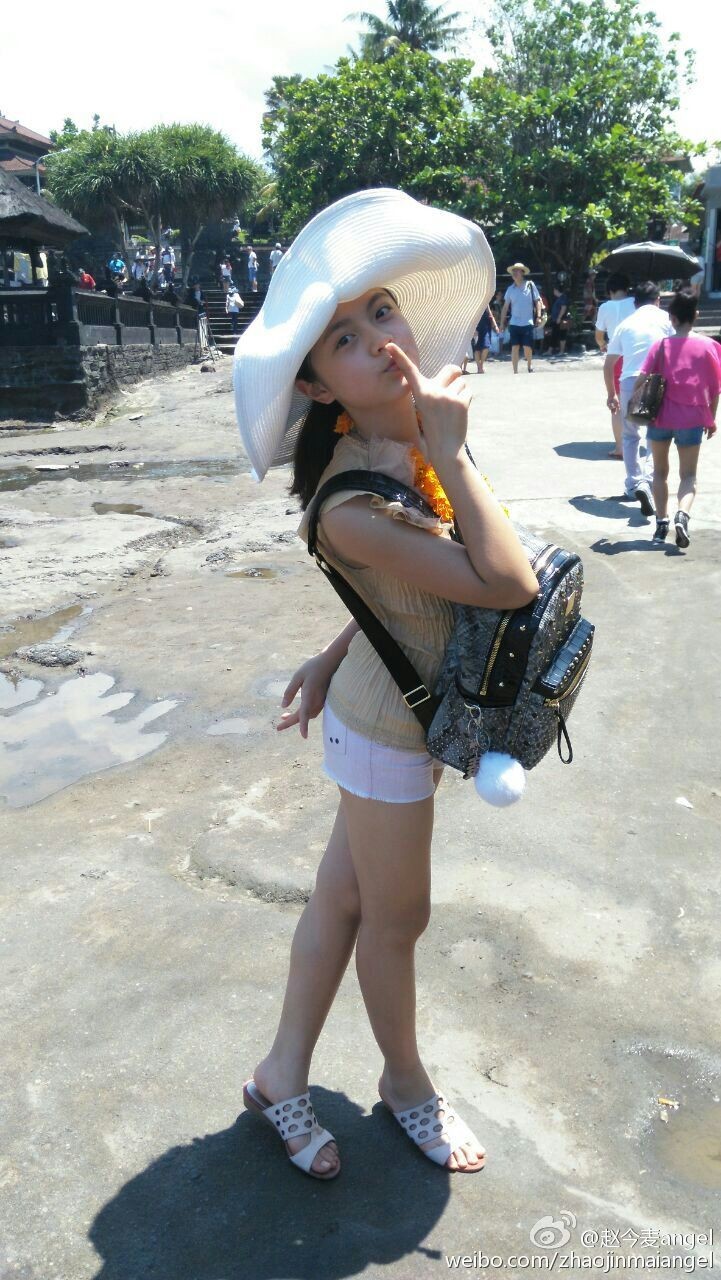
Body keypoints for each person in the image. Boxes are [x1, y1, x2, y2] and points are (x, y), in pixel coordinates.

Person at [233, 188, 539, 1180]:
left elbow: (404, 591)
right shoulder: (355, 496)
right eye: (342, 339)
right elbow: (507, 582)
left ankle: (279, 1074)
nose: (377, 339)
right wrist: (450, 450)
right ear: (316, 384)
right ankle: (406, 1084)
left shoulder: (407, 436)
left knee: (342, 901)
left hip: (388, 698)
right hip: (389, 731)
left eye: (380, 311)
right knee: (395, 920)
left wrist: (330, 654)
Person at [632, 290, 720, 547]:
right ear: (696, 315)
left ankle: (661, 524)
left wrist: (631, 402)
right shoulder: (709, 346)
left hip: (660, 418)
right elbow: (715, 389)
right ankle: (683, 514)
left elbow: (641, 379)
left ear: (671, 318)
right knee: (688, 476)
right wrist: (711, 418)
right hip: (692, 419)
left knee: (660, 472)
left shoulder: (660, 345)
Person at [604, 281, 674, 516]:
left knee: (630, 434)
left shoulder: (625, 324)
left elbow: (609, 364)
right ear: (658, 300)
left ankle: (634, 483)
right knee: (656, 434)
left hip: (628, 381)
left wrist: (611, 394)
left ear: (635, 304)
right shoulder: (666, 320)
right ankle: (649, 480)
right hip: (658, 380)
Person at [595, 273, 635, 458]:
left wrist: (603, 345)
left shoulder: (605, 307)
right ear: (627, 288)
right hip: (636, 354)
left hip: (615, 356)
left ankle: (620, 447)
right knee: (639, 400)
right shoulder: (636, 303)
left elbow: (598, 335)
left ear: (610, 290)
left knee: (616, 403)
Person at [499, 263, 542, 373]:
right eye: (513, 271)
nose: (515, 273)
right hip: (514, 323)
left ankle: (529, 364)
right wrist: (501, 323)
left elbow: (538, 301)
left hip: (528, 322)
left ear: (522, 273)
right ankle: (515, 371)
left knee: (527, 347)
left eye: (517, 271)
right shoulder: (510, 289)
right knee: (515, 347)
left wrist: (538, 316)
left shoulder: (530, 285)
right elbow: (505, 307)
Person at [472, 304, 499, 373]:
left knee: (486, 346)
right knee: (477, 348)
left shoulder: (485, 302)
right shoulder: (472, 302)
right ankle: (479, 367)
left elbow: (490, 314)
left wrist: (495, 326)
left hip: (486, 327)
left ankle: (481, 365)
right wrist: (473, 329)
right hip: (476, 327)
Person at [547, 284, 569, 357]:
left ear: (556, 290)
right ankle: (550, 351)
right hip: (556, 319)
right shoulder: (559, 298)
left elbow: (563, 308)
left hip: (561, 320)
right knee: (554, 334)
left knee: (562, 335)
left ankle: (561, 351)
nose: (553, 291)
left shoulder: (563, 298)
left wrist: (559, 318)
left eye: (554, 290)